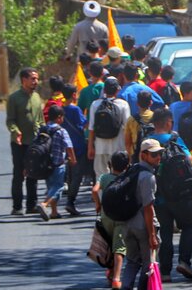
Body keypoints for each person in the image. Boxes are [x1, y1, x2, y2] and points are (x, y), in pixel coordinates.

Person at [146, 108, 192, 281]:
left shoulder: (148, 141)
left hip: (159, 195)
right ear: (168, 122)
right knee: (189, 226)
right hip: (180, 193)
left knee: (165, 232)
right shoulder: (175, 140)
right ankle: (184, 261)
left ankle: (165, 272)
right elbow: (189, 160)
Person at [116, 138, 162, 290]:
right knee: (147, 265)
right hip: (144, 226)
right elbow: (148, 207)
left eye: (159, 153)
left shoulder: (131, 171)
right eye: (154, 154)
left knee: (132, 261)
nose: (158, 157)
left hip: (128, 224)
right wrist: (152, 234)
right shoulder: (147, 177)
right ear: (143, 155)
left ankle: (125, 289)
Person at [6, 68, 45, 215]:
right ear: (24, 80)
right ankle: (17, 207)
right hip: (19, 143)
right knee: (18, 174)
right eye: (33, 79)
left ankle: (31, 205)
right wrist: (16, 131)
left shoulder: (37, 97)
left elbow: (40, 119)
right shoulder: (14, 98)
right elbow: (10, 121)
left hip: (34, 143)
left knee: (33, 174)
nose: (35, 81)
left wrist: (44, 134)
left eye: (36, 79)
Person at [93, 151, 130, 290]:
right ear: (127, 165)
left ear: (110, 164)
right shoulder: (128, 178)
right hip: (121, 217)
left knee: (109, 245)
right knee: (119, 249)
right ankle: (116, 278)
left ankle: (110, 272)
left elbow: (94, 190)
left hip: (106, 215)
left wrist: (98, 205)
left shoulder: (104, 177)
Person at [36, 105, 77, 221]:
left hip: (45, 165)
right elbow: (69, 147)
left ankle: (54, 212)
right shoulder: (61, 131)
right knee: (58, 187)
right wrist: (73, 160)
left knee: (51, 187)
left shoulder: (42, 129)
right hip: (58, 164)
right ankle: (44, 204)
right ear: (59, 117)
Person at [87, 77, 131, 178]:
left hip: (100, 147)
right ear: (118, 90)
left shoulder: (95, 104)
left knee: (100, 176)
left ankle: (102, 193)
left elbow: (91, 128)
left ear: (104, 90)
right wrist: (128, 149)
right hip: (118, 147)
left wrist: (90, 147)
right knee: (118, 176)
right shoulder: (123, 105)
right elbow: (127, 129)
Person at [61, 83, 89, 216]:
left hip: (66, 146)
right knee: (77, 175)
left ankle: (69, 200)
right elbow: (84, 124)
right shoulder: (75, 110)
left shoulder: (61, 109)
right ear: (73, 95)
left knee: (71, 174)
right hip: (78, 146)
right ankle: (70, 202)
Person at [124, 91, 155, 162]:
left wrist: (130, 158)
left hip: (137, 154)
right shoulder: (156, 117)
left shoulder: (131, 119)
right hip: (153, 153)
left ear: (137, 103)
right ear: (151, 103)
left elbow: (127, 142)